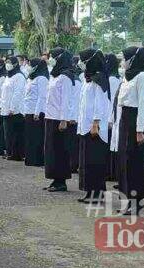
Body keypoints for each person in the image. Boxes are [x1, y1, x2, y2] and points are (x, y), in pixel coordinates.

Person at [116, 46, 144, 214]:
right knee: (124, 160)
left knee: (135, 161)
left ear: (134, 58)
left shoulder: (142, 76)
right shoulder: (127, 75)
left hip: (135, 119)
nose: (123, 61)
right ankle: (127, 200)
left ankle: (137, 202)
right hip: (125, 118)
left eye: (126, 58)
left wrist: (139, 130)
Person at [76, 49, 111, 203]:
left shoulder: (99, 79)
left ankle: (98, 193)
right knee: (87, 161)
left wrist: (96, 122)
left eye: (83, 60)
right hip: (85, 125)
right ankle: (89, 191)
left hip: (94, 127)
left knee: (95, 161)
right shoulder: (87, 79)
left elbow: (100, 103)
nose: (80, 63)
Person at [44, 48, 75, 192]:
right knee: (51, 150)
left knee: (59, 150)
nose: (51, 59)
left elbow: (66, 100)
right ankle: (54, 179)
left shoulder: (66, 76)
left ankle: (61, 181)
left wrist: (64, 119)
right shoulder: (54, 75)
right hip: (50, 116)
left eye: (53, 56)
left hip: (59, 118)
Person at [23, 58, 49, 167]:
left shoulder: (42, 78)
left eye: (30, 64)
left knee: (37, 136)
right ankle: (30, 158)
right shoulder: (30, 78)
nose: (28, 66)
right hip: (28, 110)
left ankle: (37, 159)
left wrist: (37, 112)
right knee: (29, 136)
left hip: (37, 112)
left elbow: (42, 96)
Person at [0, 56, 26, 161]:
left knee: (15, 133)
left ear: (15, 64)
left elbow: (17, 93)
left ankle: (16, 154)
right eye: (6, 62)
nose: (8, 64)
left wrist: (12, 108)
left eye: (10, 62)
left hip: (15, 110)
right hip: (5, 108)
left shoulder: (19, 76)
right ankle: (9, 151)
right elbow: (4, 92)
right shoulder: (8, 76)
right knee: (8, 132)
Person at [106, 53, 122, 183]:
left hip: (110, 116)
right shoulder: (117, 78)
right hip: (112, 115)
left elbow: (111, 101)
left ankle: (111, 172)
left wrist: (110, 118)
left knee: (111, 147)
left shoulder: (111, 80)